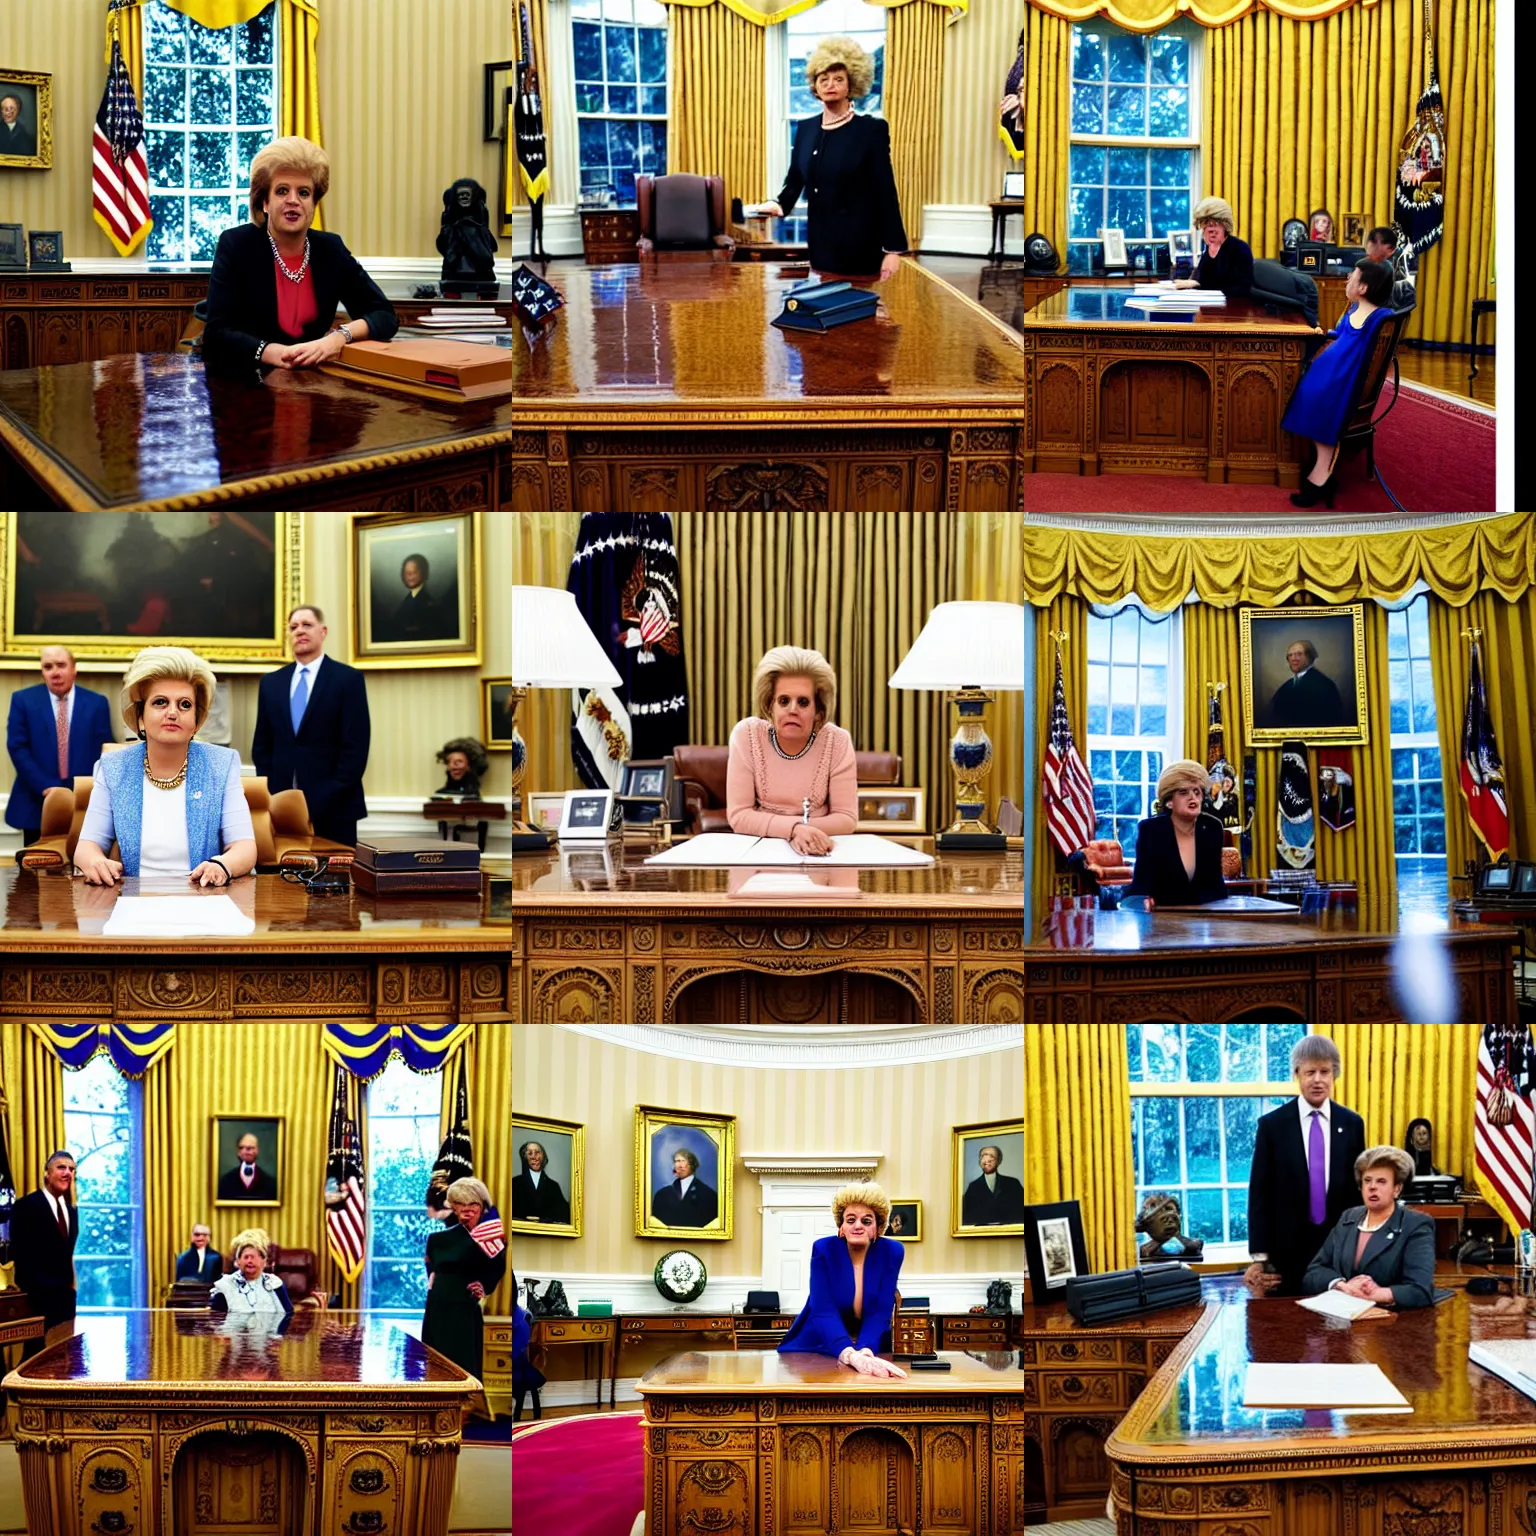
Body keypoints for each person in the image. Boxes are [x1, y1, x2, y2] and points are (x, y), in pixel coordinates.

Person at [201, 136, 398, 374]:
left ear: (313, 204)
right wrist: (273, 352)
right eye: (282, 191)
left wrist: (338, 338)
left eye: (304, 193)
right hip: (246, 380)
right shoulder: (236, 244)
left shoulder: (331, 249)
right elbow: (217, 334)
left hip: (311, 379)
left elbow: (385, 316)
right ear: (265, 202)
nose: (293, 201)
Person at [73, 647, 257, 886]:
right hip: (133, 902)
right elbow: (87, 847)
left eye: (184, 705)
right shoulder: (113, 767)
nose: (173, 712)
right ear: (140, 715)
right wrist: (95, 861)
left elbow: (244, 846)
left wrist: (222, 865)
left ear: (196, 720)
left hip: (204, 901)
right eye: (160, 702)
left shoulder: (220, 765)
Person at [756, 37, 907, 281]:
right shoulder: (806, 129)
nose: (830, 85)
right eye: (823, 79)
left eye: (838, 79)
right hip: (820, 243)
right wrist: (780, 204)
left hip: (860, 244)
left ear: (852, 85)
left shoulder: (871, 130)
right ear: (814, 86)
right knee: (824, 309)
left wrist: (893, 249)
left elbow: (885, 190)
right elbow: (796, 178)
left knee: (860, 314)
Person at [1244, 1034, 1368, 1298]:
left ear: (1335, 1074)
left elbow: (1358, 1193)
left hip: (1338, 1252)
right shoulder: (1272, 1126)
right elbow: (1259, 1193)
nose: (1318, 1079)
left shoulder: (1353, 1124)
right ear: (1297, 1074)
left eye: (1325, 1071)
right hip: (1285, 1254)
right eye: (1310, 1072)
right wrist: (1259, 1256)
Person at [251, 604, 371, 848]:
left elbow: (356, 746)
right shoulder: (271, 683)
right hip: (282, 808)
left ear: (323, 632)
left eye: (307, 625)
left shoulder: (348, 680)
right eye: (294, 627)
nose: (300, 631)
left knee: (335, 883)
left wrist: (326, 794)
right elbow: (262, 746)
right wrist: (275, 793)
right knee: (283, 881)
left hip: (336, 807)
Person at [1280, 258, 1395, 508]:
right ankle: (1320, 468)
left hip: (1343, 379)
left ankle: (1322, 476)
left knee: (1319, 403)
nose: (1347, 280)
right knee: (1306, 393)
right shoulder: (1354, 311)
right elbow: (1341, 335)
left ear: (1363, 288)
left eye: (1352, 277)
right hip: (1330, 373)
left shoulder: (1378, 317)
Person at [726, 645, 856, 857]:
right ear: (770, 705)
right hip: (758, 849)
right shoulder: (747, 735)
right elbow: (739, 816)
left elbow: (846, 818)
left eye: (803, 702)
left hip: (821, 849)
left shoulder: (837, 741)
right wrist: (794, 830)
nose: (792, 709)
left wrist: (805, 833)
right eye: (784, 701)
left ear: (818, 710)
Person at [779, 1181, 907, 1378]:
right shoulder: (823, 1250)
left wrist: (864, 1352)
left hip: (870, 1346)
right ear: (841, 1228)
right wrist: (849, 1354)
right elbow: (823, 1310)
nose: (857, 1226)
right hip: (820, 1345)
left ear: (877, 1229)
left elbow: (880, 1310)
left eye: (866, 1221)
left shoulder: (892, 1252)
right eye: (850, 1220)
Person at [1301, 1146, 1436, 1309]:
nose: (1372, 1187)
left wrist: (1377, 1294)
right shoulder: (1348, 1218)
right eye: (1367, 1180)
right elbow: (1314, 1272)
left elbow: (1420, 1290)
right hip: (1341, 1318)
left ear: (1397, 1189)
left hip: (1392, 1323)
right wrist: (1342, 1285)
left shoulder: (1416, 1225)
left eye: (1381, 1181)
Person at [5, 645, 115, 845]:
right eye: (48, 667)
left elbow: (105, 750)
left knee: (80, 866)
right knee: (34, 868)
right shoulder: (23, 700)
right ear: (42, 672)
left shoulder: (96, 703)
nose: (55, 672)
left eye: (61, 665)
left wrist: (86, 788)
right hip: (36, 799)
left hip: (84, 800)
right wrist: (47, 787)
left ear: (74, 669)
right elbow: (17, 747)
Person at [423, 1177, 507, 1385]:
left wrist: (484, 1286)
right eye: (460, 1204)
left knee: (465, 1369)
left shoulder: (490, 1239)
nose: (466, 1210)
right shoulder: (437, 1239)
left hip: (464, 1310)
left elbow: (497, 1267)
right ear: (452, 1206)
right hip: (438, 1308)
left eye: (472, 1204)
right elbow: (431, 1270)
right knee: (437, 1366)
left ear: (481, 1206)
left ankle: (469, 1414)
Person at [1121, 760, 1229, 910]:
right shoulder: (1151, 830)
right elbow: (1141, 883)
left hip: (1204, 914)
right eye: (1184, 792)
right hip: (1161, 914)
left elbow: (1215, 883)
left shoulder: (1212, 827)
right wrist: (1145, 902)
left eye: (1196, 792)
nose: (1193, 798)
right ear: (1169, 802)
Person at [12, 1151, 77, 1359]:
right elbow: (21, 1255)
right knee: (34, 1360)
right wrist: (36, 1290)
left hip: (65, 1301)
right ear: (47, 1173)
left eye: (72, 1169)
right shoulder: (26, 1206)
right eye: (61, 1167)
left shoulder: (72, 1211)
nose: (68, 1173)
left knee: (62, 1362)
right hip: (37, 1300)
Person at [1173, 197, 1253, 299]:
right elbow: (1203, 281)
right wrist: (1191, 283)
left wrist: (1199, 285)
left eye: (1214, 224)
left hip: (1232, 310)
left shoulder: (1240, 249)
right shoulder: (1208, 249)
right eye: (1206, 224)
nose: (1210, 229)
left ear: (1225, 224)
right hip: (1207, 307)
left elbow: (1243, 289)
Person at [209, 1229, 294, 1316]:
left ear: (264, 1261)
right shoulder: (224, 1286)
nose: (249, 1261)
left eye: (254, 1257)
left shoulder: (275, 1284)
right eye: (246, 1257)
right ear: (238, 1261)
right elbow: (216, 1321)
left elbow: (289, 1314)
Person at [1268, 639, 1346, 728]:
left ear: (1310, 657)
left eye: (1299, 654)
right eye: (1290, 655)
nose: (1294, 658)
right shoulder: (1286, 686)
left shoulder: (1324, 685)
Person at [379, 553, 455, 643]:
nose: (409, 576)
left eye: (414, 572)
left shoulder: (428, 604)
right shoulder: (409, 598)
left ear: (424, 573)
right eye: (406, 573)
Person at [651, 1149, 719, 1228]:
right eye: (676, 1161)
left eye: (683, 1161)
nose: (679, 1165)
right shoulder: (662, 1194)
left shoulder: (708, 1195)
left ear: (692, 1165)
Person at [961, 1143, 1025, 1225]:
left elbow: (1022, 1213)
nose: (987, 1160)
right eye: (983, 1156)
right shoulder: (973, 1187)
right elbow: (966, 1218)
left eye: (991, 1156)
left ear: (998, 1161)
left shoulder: (1013, 1184)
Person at [512, 1140, 571, 1224]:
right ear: (525, 1158)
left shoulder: (553, 1186)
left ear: (543, 1156)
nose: (534, 1157)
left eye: (537, 1153)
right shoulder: (514, 1183)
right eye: (530, 1153)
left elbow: (563, 1216)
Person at [217, 1133, 278, 1201]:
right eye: (242, 1148)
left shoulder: (270, 1183)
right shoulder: (225, 1181)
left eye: (251, 1148)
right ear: (238, 1152)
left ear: (257, 1150)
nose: (247, 1152)